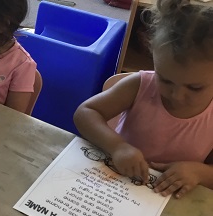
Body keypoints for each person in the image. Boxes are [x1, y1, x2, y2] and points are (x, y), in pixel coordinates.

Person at [73, 0, 213, 199]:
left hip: (173, 200)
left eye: (195, 87)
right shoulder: (139, 85)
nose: (177, 95)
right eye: (165, 79)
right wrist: (117, 147)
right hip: (116, 184)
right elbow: (85, 113)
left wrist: (199, 172)